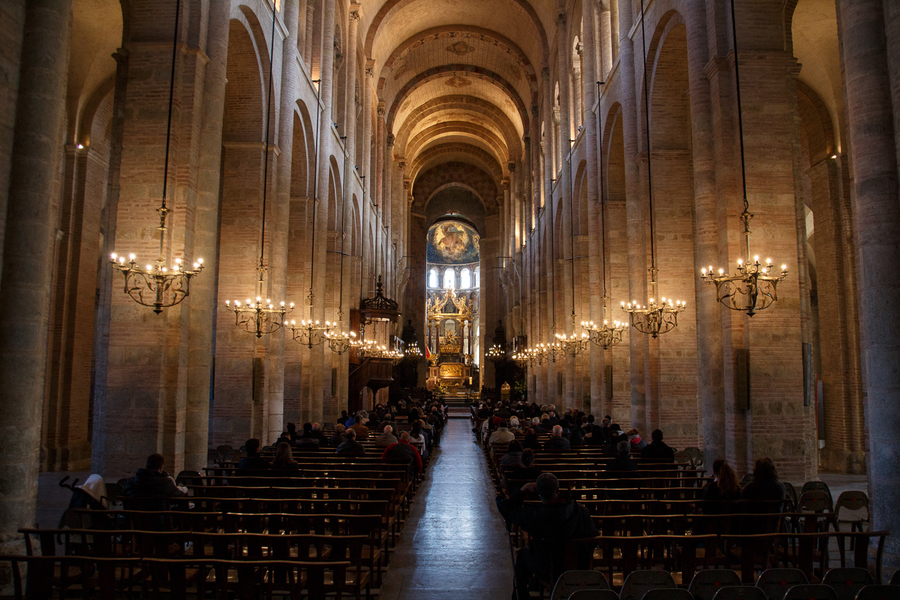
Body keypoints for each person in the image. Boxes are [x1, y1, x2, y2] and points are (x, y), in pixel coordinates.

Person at [498, 473, 599, 600]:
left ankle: (520, 596)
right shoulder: (580, 511)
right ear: (558, 489)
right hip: (580, 567)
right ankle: (534, 586)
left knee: (524, 554)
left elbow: (505, 509)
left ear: (538, 493)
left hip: (549, 569)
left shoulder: (537, 516)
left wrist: (523, 490)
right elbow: (594, 538)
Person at [123, 453, 187, 502]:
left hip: (135, 517)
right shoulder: (165, 483)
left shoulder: (131, 482)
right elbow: (179, 497)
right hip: (159, 517)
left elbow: (124, 495)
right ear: (161, 468)